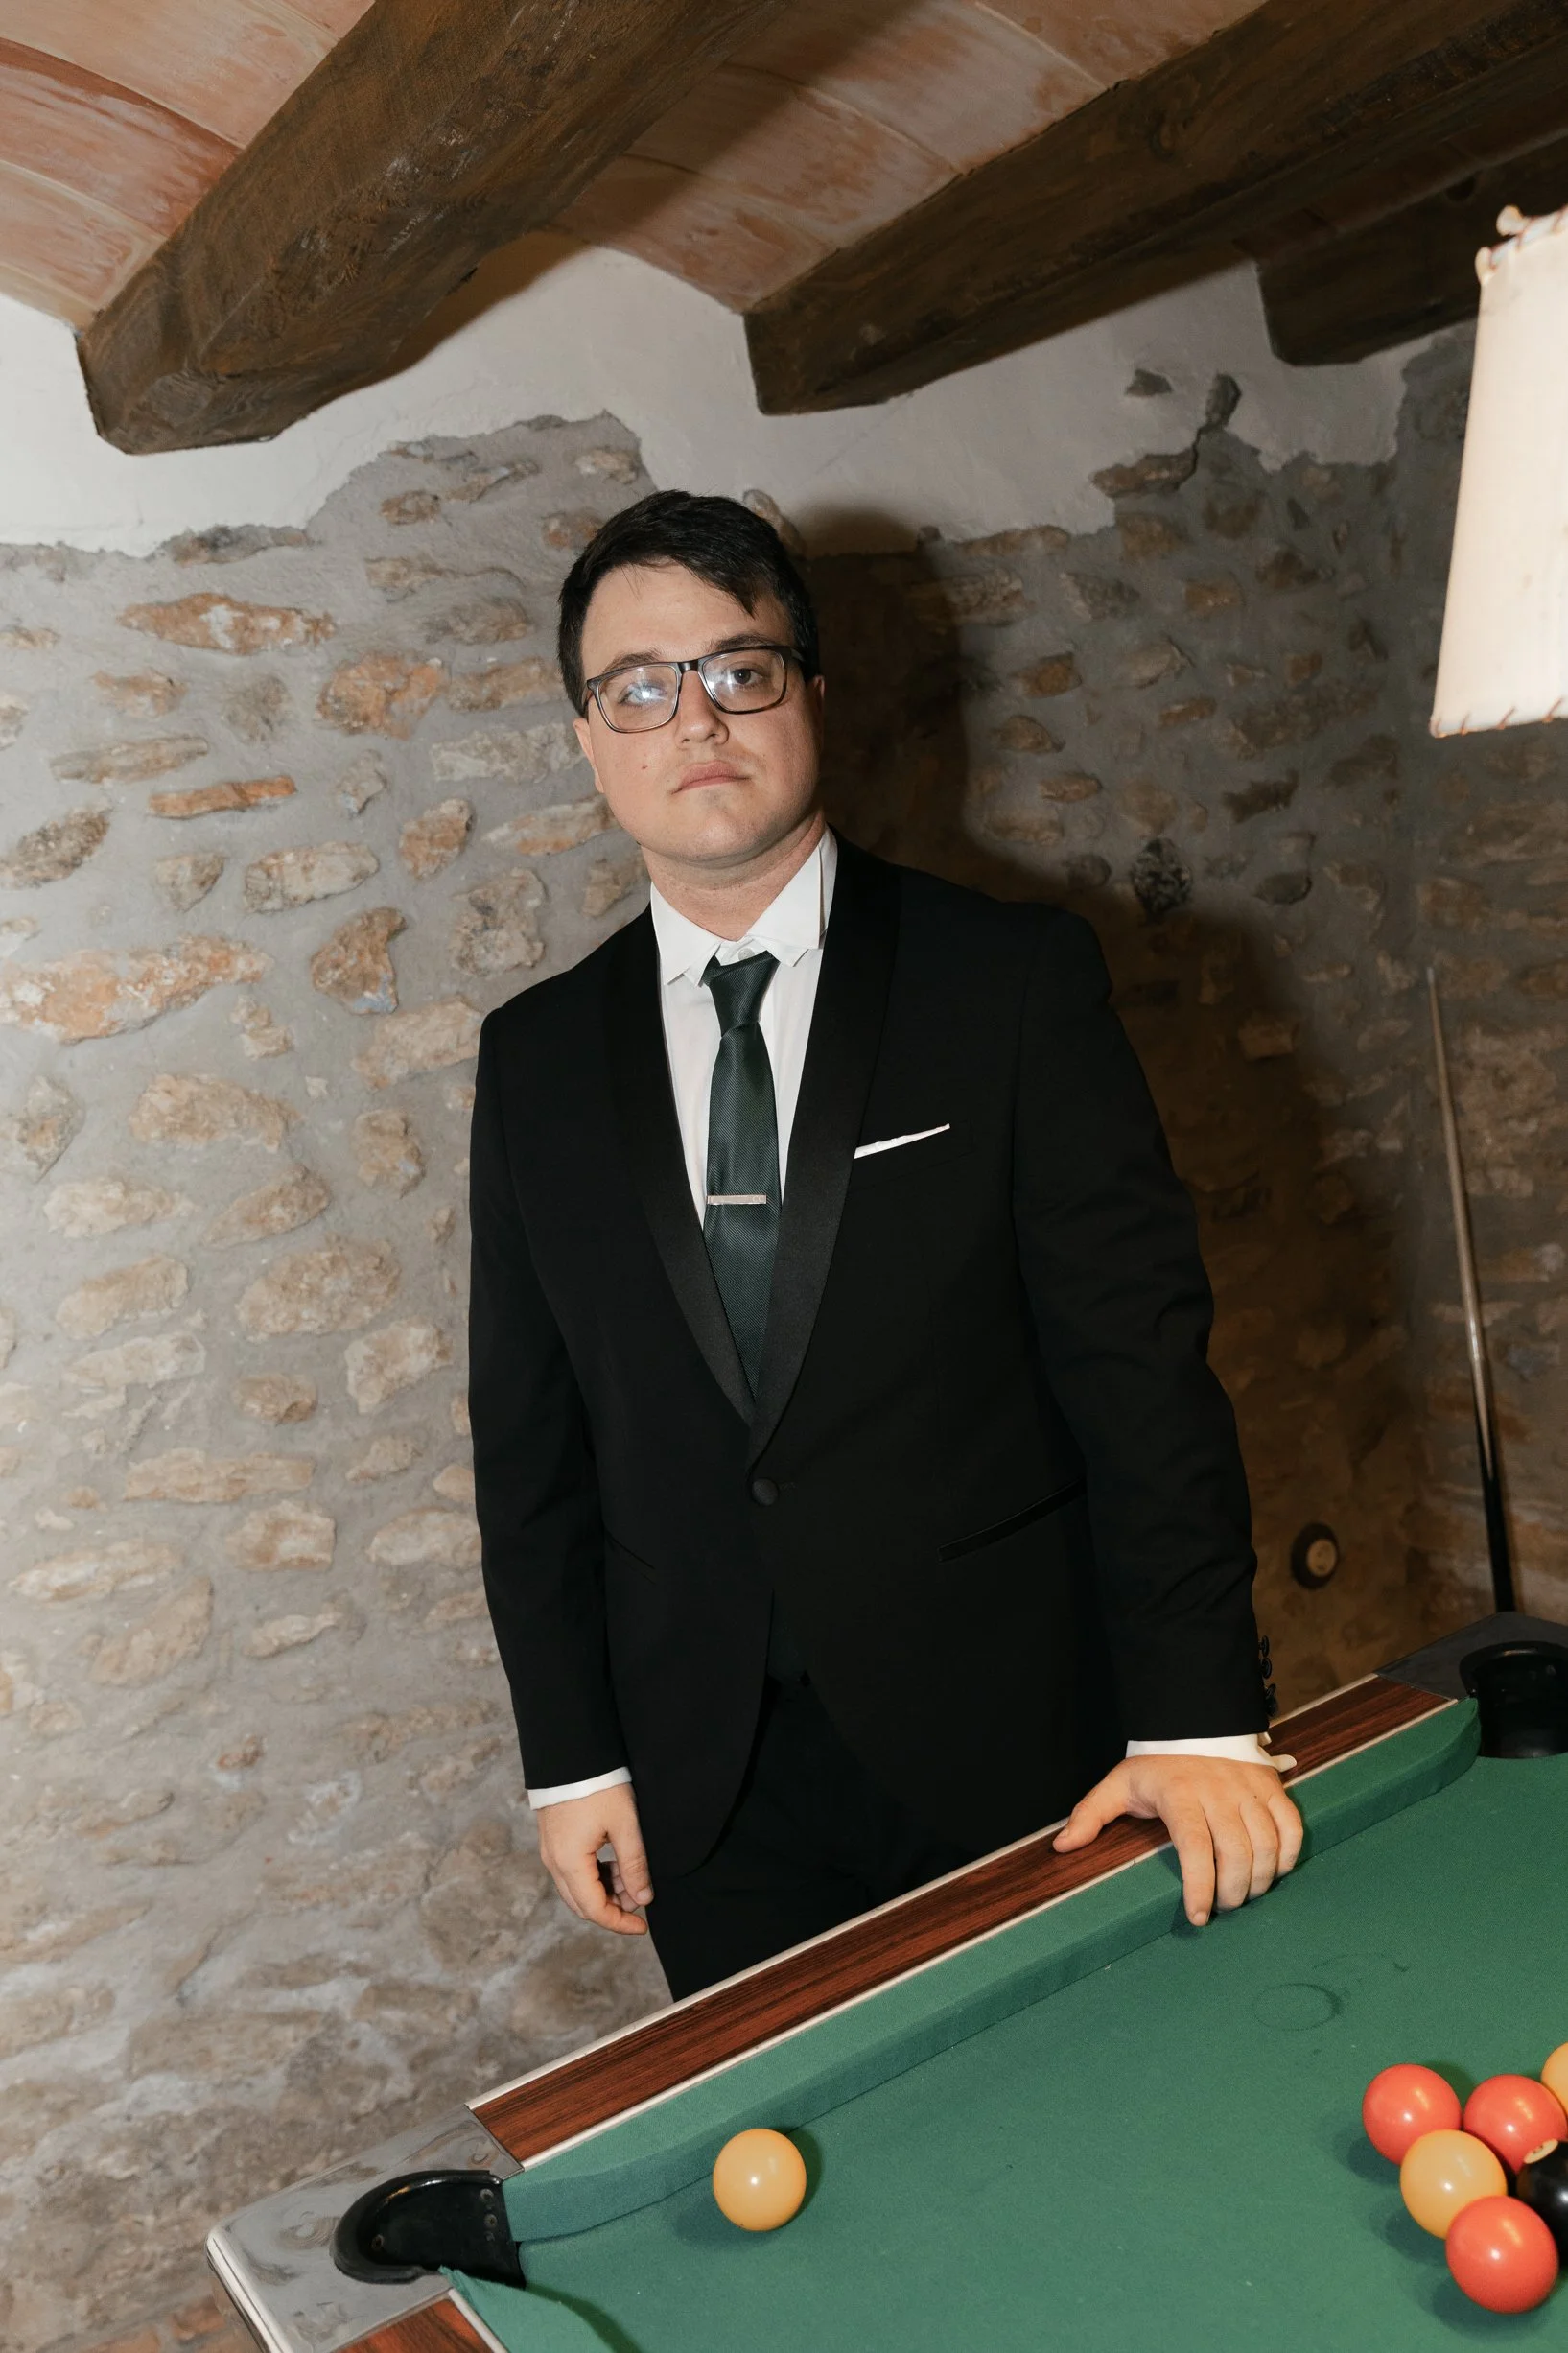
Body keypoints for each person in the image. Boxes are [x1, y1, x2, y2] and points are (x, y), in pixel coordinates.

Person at [468, 490, 1302, 2001]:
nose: (694, 718)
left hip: (1017, 1745)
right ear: (589, 739)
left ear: (812, 697)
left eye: (742, 668)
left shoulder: (1009, 983)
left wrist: (1194, 1721)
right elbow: (527, 1448)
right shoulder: (530, 1062)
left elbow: (1141, 1374)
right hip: (704, 1787)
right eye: (637, 689)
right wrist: (569, 1755)